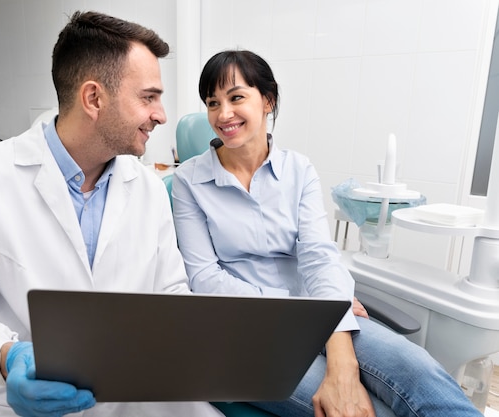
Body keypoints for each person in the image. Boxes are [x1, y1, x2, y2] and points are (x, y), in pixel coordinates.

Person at [0, 11, 225, 417]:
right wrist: (9, 357)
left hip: (124, 394)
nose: (161, 114)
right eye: (148, 97)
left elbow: (168, 294)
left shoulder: (146, 187)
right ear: (93, 98)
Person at [171, 49, 483, 417]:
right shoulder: (189, 180)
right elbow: (205, 279)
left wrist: (338, 343)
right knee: (360, 412)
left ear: (267, 100)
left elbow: (319, 255)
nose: (223, 114)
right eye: (212, 102)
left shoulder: (298, 169)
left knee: (421, 372)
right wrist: (304, 311)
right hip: (242, 331)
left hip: (317, 314)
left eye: (236, 97)